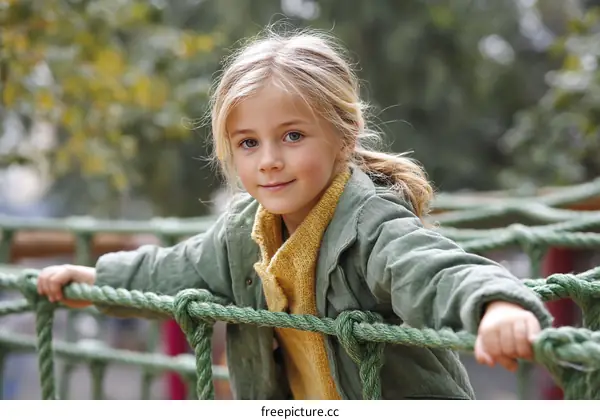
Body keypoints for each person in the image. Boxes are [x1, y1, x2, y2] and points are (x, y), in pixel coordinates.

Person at [36, 26, 553, 400]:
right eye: (248, 143)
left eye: (293, 135)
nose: (269, 161)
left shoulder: (369, 225)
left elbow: (430, 269)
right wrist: (97, 280)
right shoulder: (242, 235)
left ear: (344, 136)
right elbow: (173, 272)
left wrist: (496, 306)